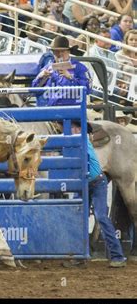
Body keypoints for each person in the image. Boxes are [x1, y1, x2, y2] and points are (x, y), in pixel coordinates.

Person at [70, 121, 127, 268]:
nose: (73, 130)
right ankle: (81, 256)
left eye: (74, 128)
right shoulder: (81, 142)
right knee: (81, 217)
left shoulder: (81, 141)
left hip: (95, 182)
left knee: (100, 216)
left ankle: (117, 256)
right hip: (90, 182)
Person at [32, 36, 91, 105]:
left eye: (63, 51)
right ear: (53, 53)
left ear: (69, 52)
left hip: (72, 111)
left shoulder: (80, 68)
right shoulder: (48, 68)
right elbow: (34, 91)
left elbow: (88, 89)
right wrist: (40, 78)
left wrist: (70, 77)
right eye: (56, 52)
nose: (60, 54)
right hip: (50, 110)